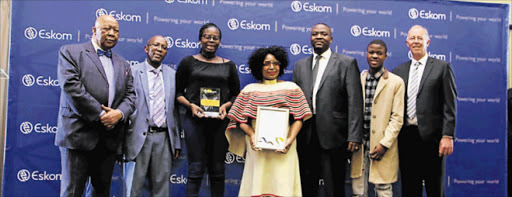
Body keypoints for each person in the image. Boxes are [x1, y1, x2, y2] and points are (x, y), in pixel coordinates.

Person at [56, 15, 136, 197]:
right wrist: (101, 114)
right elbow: (71, 87)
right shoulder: (70, 52)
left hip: (109, 139)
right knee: (72, 191)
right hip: (78, 136)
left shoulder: (123, 63)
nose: (112, 33)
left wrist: (119, 114)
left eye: (116, 30)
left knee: (101, 192)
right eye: (107, 29)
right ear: (94, 30)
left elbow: (131, 95)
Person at [226, 46, 312, 196]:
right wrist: (252, 135)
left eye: (276, 63)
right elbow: (241, 121)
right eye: (266, 63)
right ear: (259, 66)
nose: (272, 67)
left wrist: (289, 140)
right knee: (258, 183)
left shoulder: (292, 88)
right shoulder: (249, 90)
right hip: (257, 146)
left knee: (283, 183)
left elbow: (299, 118)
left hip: (284, 145)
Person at [292, 23, 364, 197]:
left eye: (323, 34)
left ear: (331, 39)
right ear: (310, 38)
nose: (318, 37)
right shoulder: (300, 65)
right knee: (306, 185)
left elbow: (355, 101)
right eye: (315, 34)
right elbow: (293, 101)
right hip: (305, 134)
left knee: (334, 186)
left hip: (334, 135)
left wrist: (354, 135)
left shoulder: (346, 63)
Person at [176, 23, 240, 197]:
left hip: (220, 123)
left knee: (218, 170)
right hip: (194, 122)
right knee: (195, 169)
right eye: (207, 36)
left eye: (215, 37)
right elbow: (177, 93)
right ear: (200, 39)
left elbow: (236, 95)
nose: (211, 40)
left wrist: (226, 106)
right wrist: (190, 106)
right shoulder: (188, 62)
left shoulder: (229, 65)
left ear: (220, 42)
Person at [393, 25, 457, 197]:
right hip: (406, 138)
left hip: (433, 139)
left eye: (419, 38)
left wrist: (447, 135)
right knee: (409, 187)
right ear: (407, 43)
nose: (416, 41)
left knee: (434, 188)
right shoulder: (398, 71)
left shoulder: (442, 68)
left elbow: (450, 105)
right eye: (412, 38)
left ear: (427, 41)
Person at [124, 35, 181, 197]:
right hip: (137, 138)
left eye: (163, 47)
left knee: (161, 189)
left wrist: (176, 141)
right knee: (132, 188)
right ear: (146, 48)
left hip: (163, 138)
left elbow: (175, 111)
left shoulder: (172, 75)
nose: (159, 50)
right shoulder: (132, 72)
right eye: (156, 45)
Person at [350, 40, 405, 197]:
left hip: (382, 145)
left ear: (385, 56)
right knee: (358, 191)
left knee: (383, 190)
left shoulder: (396, 82)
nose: (374, 56)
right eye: (371, 52)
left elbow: (397, 118)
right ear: (366, 54)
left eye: (379, 53)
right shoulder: (358, 78)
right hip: (360, 145)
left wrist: (384, 144)